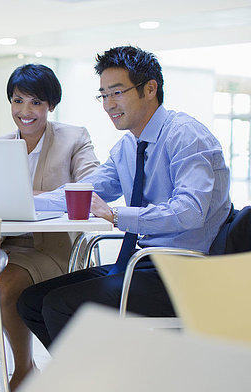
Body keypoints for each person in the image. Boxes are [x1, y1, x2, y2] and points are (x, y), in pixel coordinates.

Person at [17, 46, 232, 351]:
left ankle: (96, 389)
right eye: (103, 95)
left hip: (187, 273)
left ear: (150, 89)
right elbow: (84, 192)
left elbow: (190, 211)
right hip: (144, 264)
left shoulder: (186, 136)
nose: (108, 104)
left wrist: (119, 216)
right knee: (31, 302)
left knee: (58, 305)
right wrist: (16, 199)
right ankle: (93, 382)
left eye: (116, 93)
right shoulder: (127, 147)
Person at [0, 64, 100, 392]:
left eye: (36, 102)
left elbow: (92, 188)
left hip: (51, 246)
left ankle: (22, 371)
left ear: (50, 105)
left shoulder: (73, 138)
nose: (25, 111)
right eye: (18, 101)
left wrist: (30, 194)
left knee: (6, 284)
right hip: (2, 243)